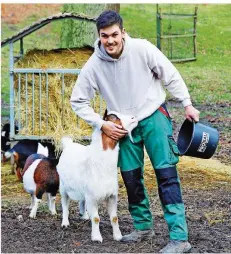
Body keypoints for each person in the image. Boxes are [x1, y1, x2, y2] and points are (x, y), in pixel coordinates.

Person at [70, 10, 200, 253]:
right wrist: (102, 123)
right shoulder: (94, 65)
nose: (110, 40)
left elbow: (170, 75)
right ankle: (143, 226)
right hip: (120, 125)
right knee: (130, 177)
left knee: (166, 174)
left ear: (123, 33)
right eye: (104, 36)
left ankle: (180, 238)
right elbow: (78, 101)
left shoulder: (142, 49)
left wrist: (187, 103)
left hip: (153, 116)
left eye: (114, 35)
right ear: (99, 36)